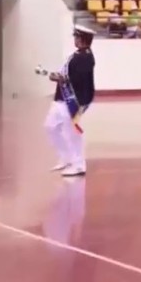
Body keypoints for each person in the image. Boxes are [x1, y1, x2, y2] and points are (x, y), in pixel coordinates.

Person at [44, 25, 97, 177]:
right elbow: (68, 73)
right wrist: (58, 76)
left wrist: (61, 78)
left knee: (71, 132)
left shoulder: (86, 57)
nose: (75, 39)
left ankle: (79, 165)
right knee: (50, 127)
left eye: (77, 37)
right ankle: (66, 158)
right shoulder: (76, 55)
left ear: (83, 39)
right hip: (61, 98)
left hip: (75, 100)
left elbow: (79, 79)